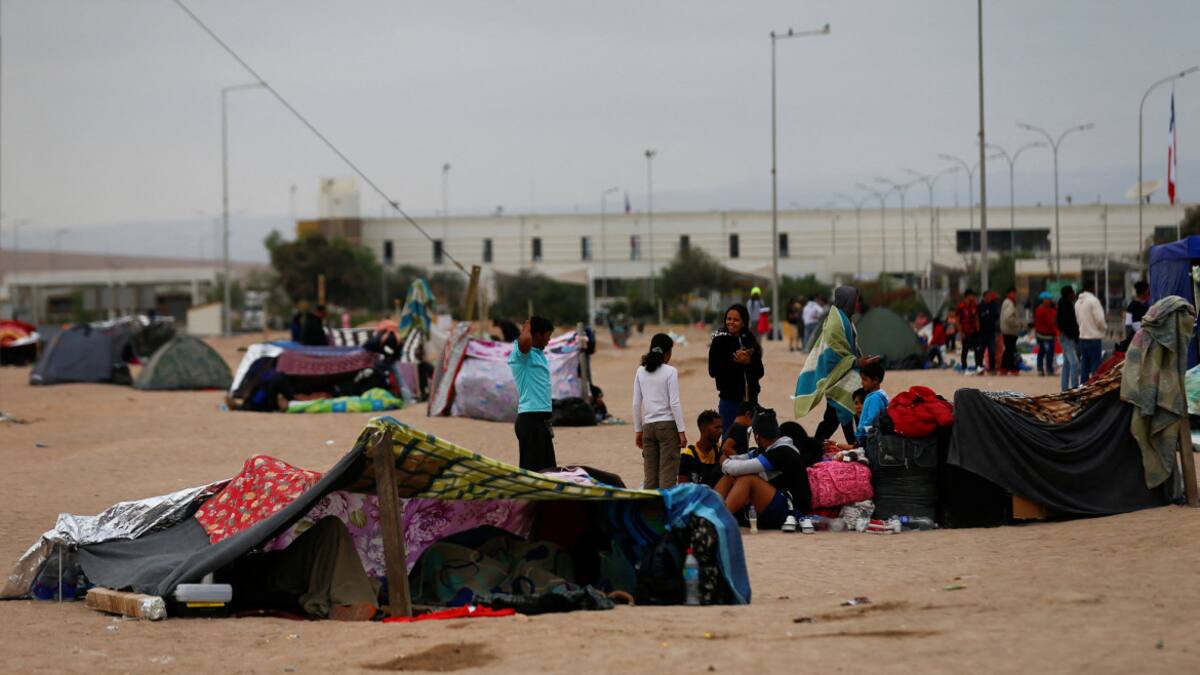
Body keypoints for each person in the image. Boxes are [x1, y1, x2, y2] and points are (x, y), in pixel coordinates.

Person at [222, 516, 378, 621]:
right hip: (248, 568)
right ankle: (347, 603)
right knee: (332, 528)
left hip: (273, 559)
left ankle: (348, 602)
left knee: (331, 528)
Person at [793, 285, 880, 444]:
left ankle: (817, 444)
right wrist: (856, 361)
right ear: (847, 301)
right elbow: (834, 354)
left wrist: (861, 360)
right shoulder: (835, 323)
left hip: (844, 372)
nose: (857, 304)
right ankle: (855, 444)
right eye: (855, 301)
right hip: (835, 374)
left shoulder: (844, 319)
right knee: (849, 403)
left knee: (833, 416)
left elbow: (847, 350)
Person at [714, 409, 815, 532]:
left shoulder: (782, 452)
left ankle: (718, 520)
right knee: (731, 476)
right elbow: (739, 461)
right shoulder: (769, 449)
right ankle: (708, 514)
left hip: (792, 510)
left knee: (748, 479)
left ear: (757, 437)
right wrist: (729, 465)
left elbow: (737, 467)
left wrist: (724, 462)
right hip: (779, 501)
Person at [632, 333, 687, 489]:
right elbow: (674, 403)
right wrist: (681, 431)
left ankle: (649, 511)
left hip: (648, 428)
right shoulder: (670, 371)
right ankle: (665, 512)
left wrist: (638, 430)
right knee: (667, 478)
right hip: (668, 427)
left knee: (650, 478)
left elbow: (636, 404)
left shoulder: (640, 371)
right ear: (668, 353)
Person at [708, 304, 765, 433]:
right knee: (729, 437)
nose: (731, 322)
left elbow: (760, 371)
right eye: (729, 319)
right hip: (729, 400)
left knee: (746, 438)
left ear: (743, 322)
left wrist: (748, 362)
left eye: (736, 319)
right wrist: (736, 362)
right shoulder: (719, 341)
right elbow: (713, 371)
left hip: (750, 400)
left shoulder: (750, 341)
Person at [508, 317, 556, 471]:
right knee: (531, 471)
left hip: (542, 422)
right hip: (529, 420)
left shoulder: (539, 354)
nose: (549, 340)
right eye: (547, 336)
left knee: (548, 470)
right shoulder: (522, 355)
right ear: (537, 335)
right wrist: (528, 326)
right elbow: (524, 341)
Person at [825, 361, 887, 450]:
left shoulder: (874, 398)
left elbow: (871, 419)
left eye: (865, 379)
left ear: (876, 380)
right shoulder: (882, 395)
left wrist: (860, 434)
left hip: (871, 442)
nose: (861, 383)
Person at [679, 410, 724, 487]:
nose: (720, 431)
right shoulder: (688, 456)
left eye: (721, 427)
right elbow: (683, 489)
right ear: (703, 428)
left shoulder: (721, 450)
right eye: (716, 427)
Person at [1075, 281, 1106, 383]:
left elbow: (1078, 320)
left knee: (1084, 366)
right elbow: (1100, 319)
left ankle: (1083, 388)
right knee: (1096, 367)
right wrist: (1103, 329)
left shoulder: (1077, 303)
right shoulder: (1093, 301)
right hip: (1094, 338)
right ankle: (1094, 388)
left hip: (1082, 337)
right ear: (1092, 289)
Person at [1057, 285, 1081, 390]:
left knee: (1067, 365)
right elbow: (1068, 324)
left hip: (1066, 337)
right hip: (1067, 338)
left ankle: (1064, 389)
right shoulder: (1065, 305)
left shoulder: (1064, 304)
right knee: (1075, 363)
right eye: (1073, 293)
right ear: (1069, 294)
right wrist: (1074, 335)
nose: (1074, 294)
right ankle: (1075, 387)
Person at [1033, 291, 1058, 377]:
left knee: (1041, 352)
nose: (1049, 301)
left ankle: (1041, 369)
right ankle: (1049, 369)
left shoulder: (1038, 310)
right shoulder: (1049, 311)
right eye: (1048, 299)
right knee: (1049, 353)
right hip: (1048, 335)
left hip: (1040, 335)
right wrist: (1056, 332)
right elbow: (1051, 322)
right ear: (1044, 300)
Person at [955, 290, 981, 371]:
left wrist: (978, 328)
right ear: (967, 296)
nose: (973, 297)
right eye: (971, 296)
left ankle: (978, 366)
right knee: (965, 349)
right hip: (965, 331)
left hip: (974, 331)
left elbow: (976, 317)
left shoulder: (974, 305)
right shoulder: (961, 306)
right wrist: (961, 332)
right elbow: (957, 320)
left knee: (977, 349)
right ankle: (964, 366)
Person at [999, 288, 1022, 375]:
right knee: (1010, 350)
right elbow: (1008, 318)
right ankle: (1010, 368)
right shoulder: (1009, 303)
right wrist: (1017, 323)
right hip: (1009, 330)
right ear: (1009, 293)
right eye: (1013, 293)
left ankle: (1004, 368)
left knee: (1009, 349)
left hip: (1008, 330)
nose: (1015, 295)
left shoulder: (1008, 302)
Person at [978, 290, 1000, 373]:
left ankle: (992, 368)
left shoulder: (994, 305)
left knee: (992, 350)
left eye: (990, 297)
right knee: (981, 351)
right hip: (982, 332)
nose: (989, 298)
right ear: (984, 297)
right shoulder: (980, 306)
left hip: (991, 332)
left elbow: (996, 316)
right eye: (987, 296)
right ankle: (979, 367)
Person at [1124, 281, 1151, 345]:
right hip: (1140, 338)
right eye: (1148, 291)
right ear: (1145, 291)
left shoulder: (1131, 305)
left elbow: (1128, 324)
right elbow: (1128, 325)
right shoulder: (1147, 305)